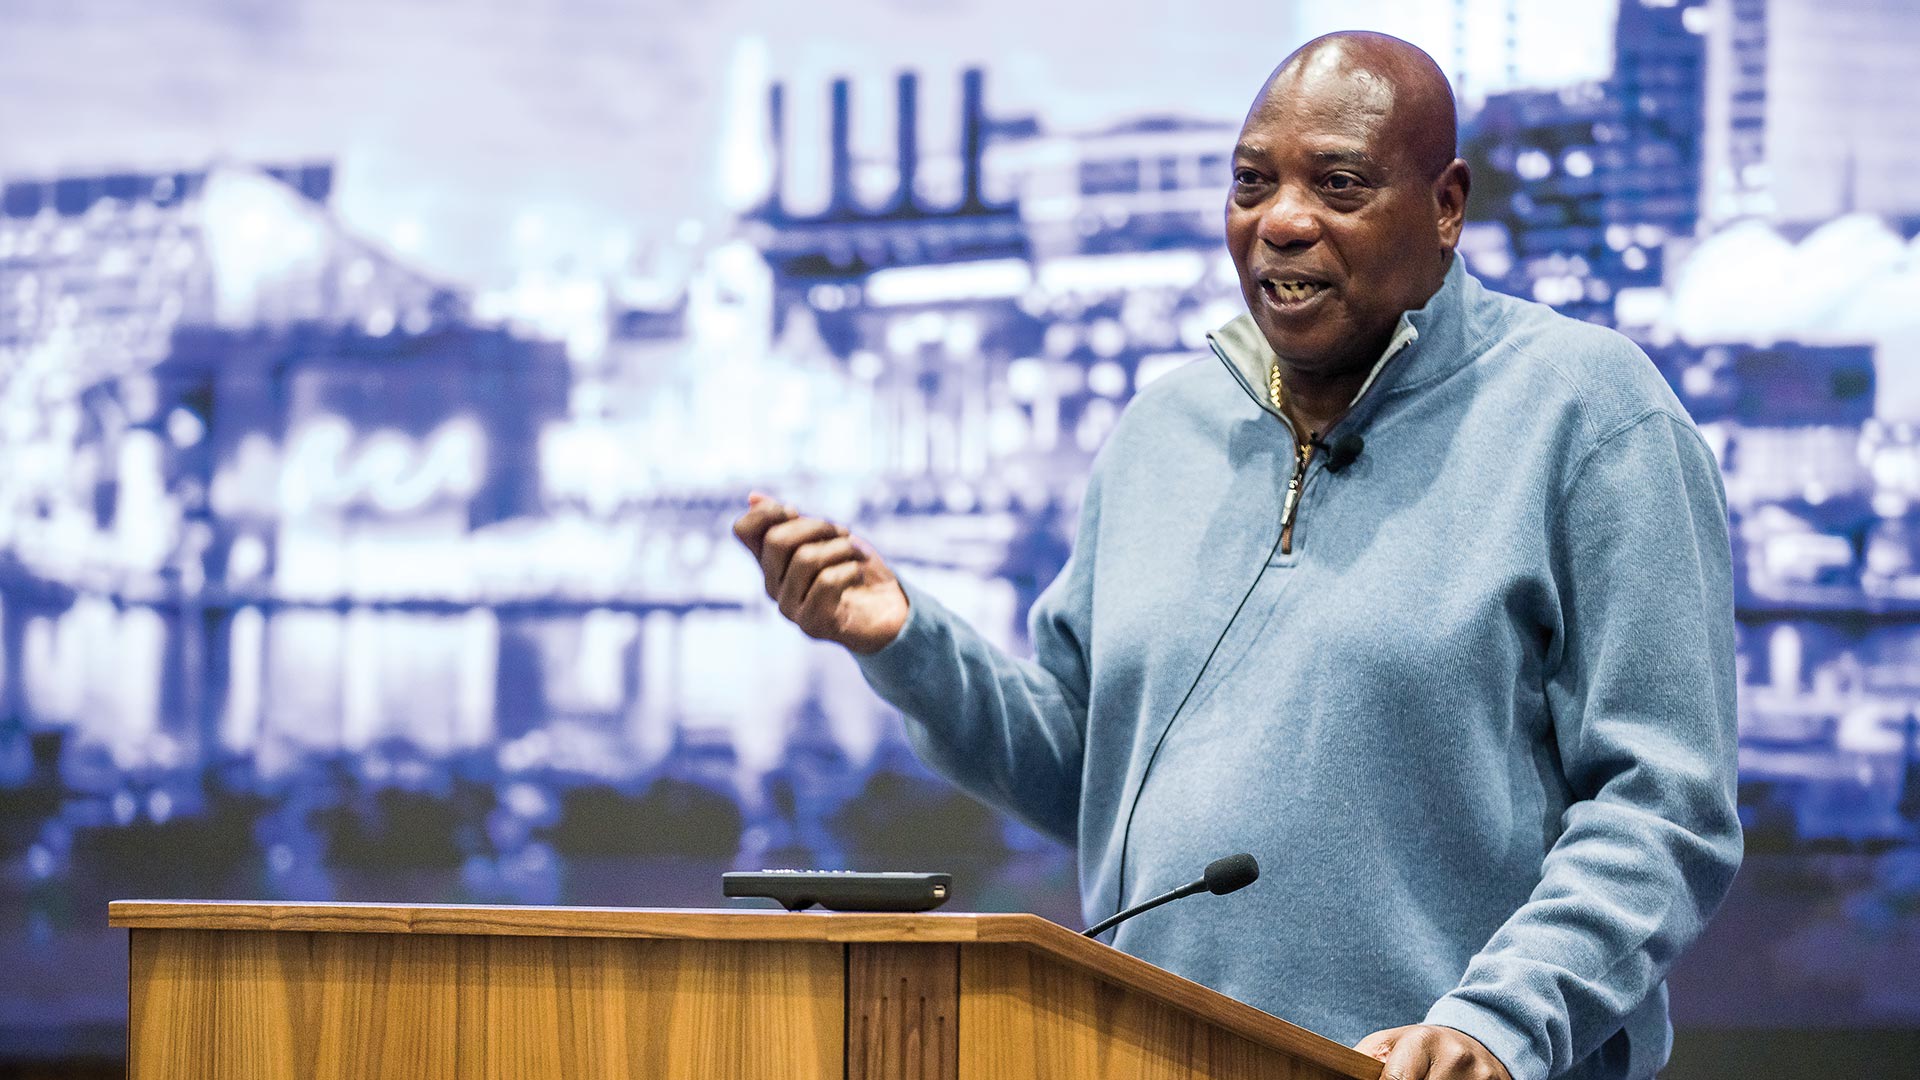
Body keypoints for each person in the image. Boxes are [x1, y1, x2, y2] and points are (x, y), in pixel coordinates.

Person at [732, 31, 1740, 1080]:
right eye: (1252, 184)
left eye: (1339, 183)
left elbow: (1664, 808)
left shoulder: (1590, 416)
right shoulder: (1161, 433)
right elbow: (1088, 773)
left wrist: (1498, 1021)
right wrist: (903, 640)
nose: (1283, 221)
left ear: (1447, 205)